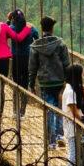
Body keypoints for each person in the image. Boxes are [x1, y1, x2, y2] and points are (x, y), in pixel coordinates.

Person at [27, 16, 71, 148]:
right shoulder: (60, 43)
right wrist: (68, 81)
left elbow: (32, 67)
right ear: (52, 28)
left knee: (48, 111)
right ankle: (59, 135)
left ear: (42, 28)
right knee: (59, 109)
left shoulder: (36, 46)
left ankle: (51, 141)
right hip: (59, 82)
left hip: (44, 83)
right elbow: (66, 64)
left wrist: (31, 83)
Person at [62, 63, 84, 166]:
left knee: (77, 156)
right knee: (73, 156)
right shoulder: (70, 92)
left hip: (74, 128)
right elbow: (75, 113)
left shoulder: (71, 89)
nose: (83, 76)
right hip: (73, 129)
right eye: (82, 74)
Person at [7, 9, 39, 92]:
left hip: (16, 56)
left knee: (16, 77)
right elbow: (37, 37)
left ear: (13, 18)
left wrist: (8, 21)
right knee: (25, 76)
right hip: (27, 56)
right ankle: (24, 97)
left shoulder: (11, 28)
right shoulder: (30, 27)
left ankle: (17, 94)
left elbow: (4, 32)